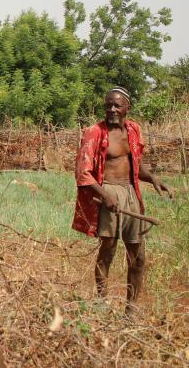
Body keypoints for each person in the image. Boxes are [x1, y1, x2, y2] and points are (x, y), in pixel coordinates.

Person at [72, 87, 174, 312]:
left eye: (117, 105)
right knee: (107, 250)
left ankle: (131, 310)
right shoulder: (94, 132)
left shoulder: (134, 130)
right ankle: (102, 303)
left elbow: (135, 166)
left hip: (130, 193)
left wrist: (154, 179)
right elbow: (83, 172)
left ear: (128, 107)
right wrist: (105, 194)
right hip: (106, 191)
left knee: (137, 256)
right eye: (108, 104)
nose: (112, 109)